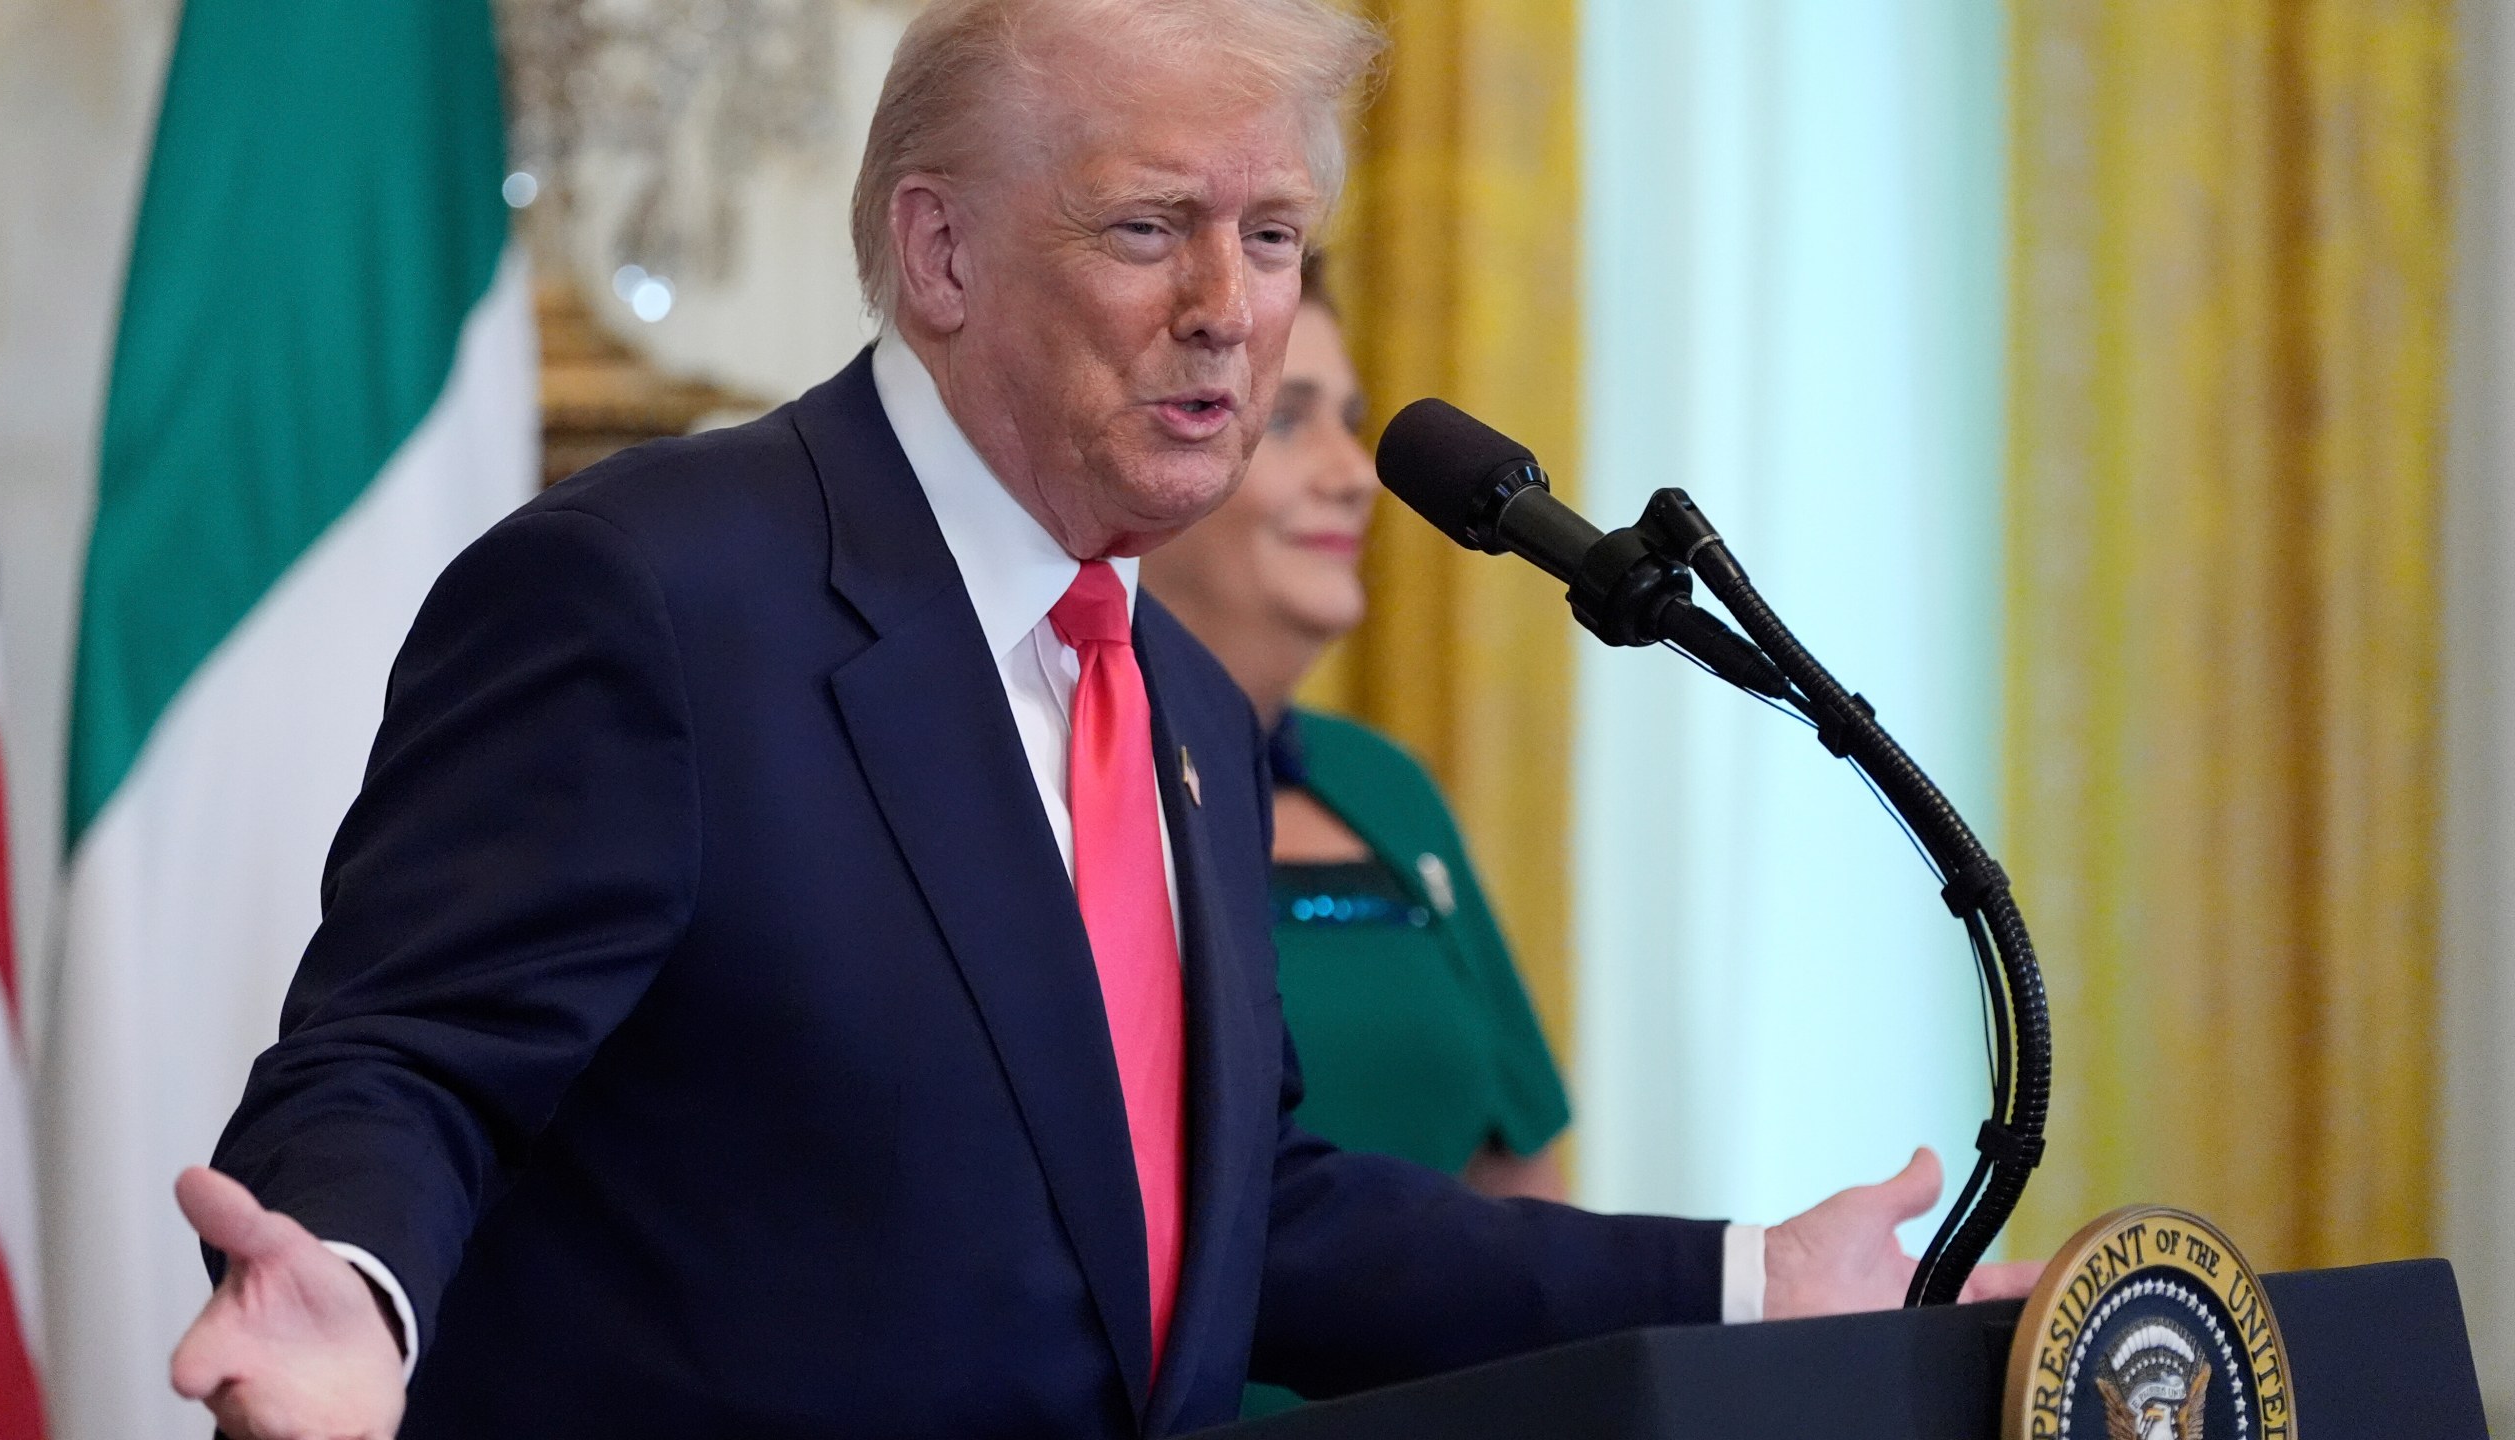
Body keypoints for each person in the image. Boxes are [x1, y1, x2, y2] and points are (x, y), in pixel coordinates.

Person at [166, 2, 2038, 1437]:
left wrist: (1741, 1283)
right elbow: (402, 1057)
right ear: (943, 253)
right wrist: (350, 1280)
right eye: (1155, 229)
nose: (1235, 313)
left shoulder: (1191, 715)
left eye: (1277, 236)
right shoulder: (656, 598)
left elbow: (1239, 1226)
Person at [1141, 257, 1568, 1204]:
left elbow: (1526, 1189)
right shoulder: (1054, 776)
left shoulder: (1384, 789)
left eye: (1352, 422)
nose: (1356, 477)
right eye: (1288, 421)